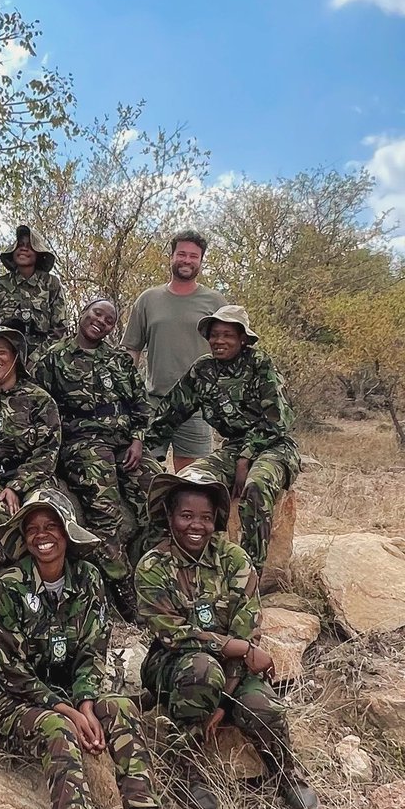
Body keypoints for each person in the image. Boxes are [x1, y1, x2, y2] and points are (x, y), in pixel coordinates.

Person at [0, 489, 179, 809]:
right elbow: (12, 669)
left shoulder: (88, 579)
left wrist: (88, 704)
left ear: (67, 533)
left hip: (74, 694)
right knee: (59, 729)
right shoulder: (11, 586)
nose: (41, 535)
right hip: (15, 700)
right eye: (32, 529)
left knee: (122, 710)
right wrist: (71, 713)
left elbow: (94, 651)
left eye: (50, 526)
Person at [135, 468, 319, 809]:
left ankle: (284, 771)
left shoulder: (232, 558)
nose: (196, 525)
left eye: (205, 517)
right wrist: (236, 649)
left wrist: (225, 697)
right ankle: (186, 768)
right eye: (186, 515)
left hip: (234, 671)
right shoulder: (152, 566)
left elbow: (247, 630)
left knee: (263, 707)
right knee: (202, 669)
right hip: (174, 664)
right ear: (170, 517)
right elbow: (172, 633)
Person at [145, 306, 301, 572]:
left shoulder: (260, 364)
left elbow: (278, 419)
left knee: (256, 485)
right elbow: (171, 412)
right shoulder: (202, 370)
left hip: (275, 447)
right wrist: (144, 445)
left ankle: (250, 573)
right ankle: (188, 563)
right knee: (189, 481)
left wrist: (247, 455)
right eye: (215, 334)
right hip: (233, 449)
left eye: (227, 334)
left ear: (242, 339)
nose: (219, 341)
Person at [34, 298, 155, 619]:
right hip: (82, 444)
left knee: (160, 492)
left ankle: (156, 576)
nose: (101, 321)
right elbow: (39, 409)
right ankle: (123, 589)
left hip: (124, 444)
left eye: (110, 320)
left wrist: (138, 440)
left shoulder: (119, 360)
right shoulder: (53, 358)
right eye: (97, 313)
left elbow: (141, 406)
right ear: (83, 312)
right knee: (105, 510)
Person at [122, 230, 227, 470]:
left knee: (192, 477)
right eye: (182, 254)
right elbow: (132, 348)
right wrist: (127, 393)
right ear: (171, 256)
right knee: (143, 472)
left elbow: (228, 351)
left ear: (201, 261)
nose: (187, 260)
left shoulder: (215, 302)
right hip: (153, 402)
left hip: (197, 406)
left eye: (194, 256)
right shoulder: (148, 299)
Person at [0, 326, 61, 545]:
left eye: (1, 351)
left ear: (16, 357)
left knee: (45, 516)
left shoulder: (39, 400)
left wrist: (17, 485)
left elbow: (48, 451)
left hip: (31, 478)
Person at [0, 225, 69, 357]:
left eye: (30, 246)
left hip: (42, 358)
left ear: (38, 254)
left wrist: (37, 358)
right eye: (20, 245)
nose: (24, 248)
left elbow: (60, 329)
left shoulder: (51, 283)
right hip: (5, 356)